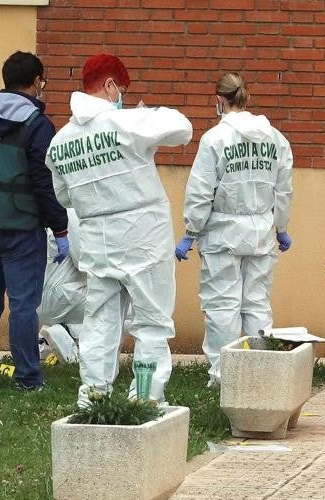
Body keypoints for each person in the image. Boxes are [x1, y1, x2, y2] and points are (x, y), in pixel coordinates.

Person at [45, 54, 192, 406]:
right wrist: (141, 118)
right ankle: (146, 397)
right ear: (110, 85)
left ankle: (93, 397)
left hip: (97, 240)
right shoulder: (125, 124)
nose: (122, 96)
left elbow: (63, 195)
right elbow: (182, 126)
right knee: (152, 319)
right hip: (143, 235)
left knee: (100, 320)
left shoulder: (60, 142)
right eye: (121, 89)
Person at [0, 51, 69, 391]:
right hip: (21, 226)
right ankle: (28, 377)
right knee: (24, 304)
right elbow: (43, 180)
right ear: (36, 82)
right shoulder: (38, 126)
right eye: (43, 81)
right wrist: (60, 227)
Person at [179, 72, 294, 387]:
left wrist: (190, 232)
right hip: (260, 232)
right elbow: (283, 190)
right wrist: (280, 226)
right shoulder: (275, 138)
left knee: (222, 306)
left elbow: (201, 191)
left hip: (223, 233)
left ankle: (223, 375)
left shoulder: (215, 139)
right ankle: (264, 371)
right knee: (257, 303)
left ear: (219, 100)